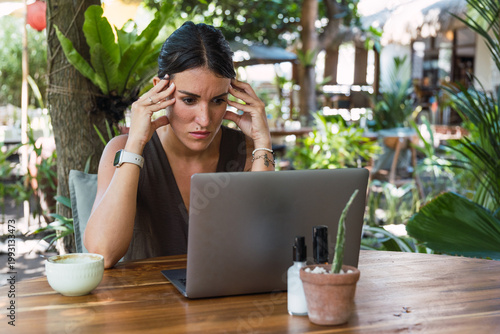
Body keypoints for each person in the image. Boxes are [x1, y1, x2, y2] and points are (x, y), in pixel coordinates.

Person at [84, 22, 274, 268]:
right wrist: (135, 146)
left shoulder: (248, 152)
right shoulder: (121, 150)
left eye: (218, 100)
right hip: (146, 303)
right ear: (160, 91)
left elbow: (265, 249)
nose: (205, 120)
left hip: (226, 303)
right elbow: (103, 253)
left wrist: (263, 141)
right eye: (189, 100)